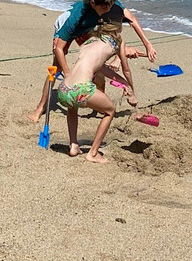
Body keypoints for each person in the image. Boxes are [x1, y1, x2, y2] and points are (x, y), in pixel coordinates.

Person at [28, 0, 157, 122]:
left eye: (110, 6)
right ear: (94, 3)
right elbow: (59, 48)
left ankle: (99, 100)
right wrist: (67, 74)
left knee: (96, 62)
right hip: (67, 28)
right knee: (55, 67)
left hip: (87, 28)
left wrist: (148, 45)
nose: (108, 10)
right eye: (105, 7)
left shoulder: (108, 2)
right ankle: (40, 107)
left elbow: (132, 20)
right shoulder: (77, 16)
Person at [56, 23, 137, 163]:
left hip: (64, 88)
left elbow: (99, 68)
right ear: (117, 30)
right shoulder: (116, 42)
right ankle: (92, 153)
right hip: (81, 89)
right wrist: (130, 89)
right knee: (110, 110)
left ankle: (73, 145)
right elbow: (126, 69)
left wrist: (122, 83)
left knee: (72, 107)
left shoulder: (89, 41)